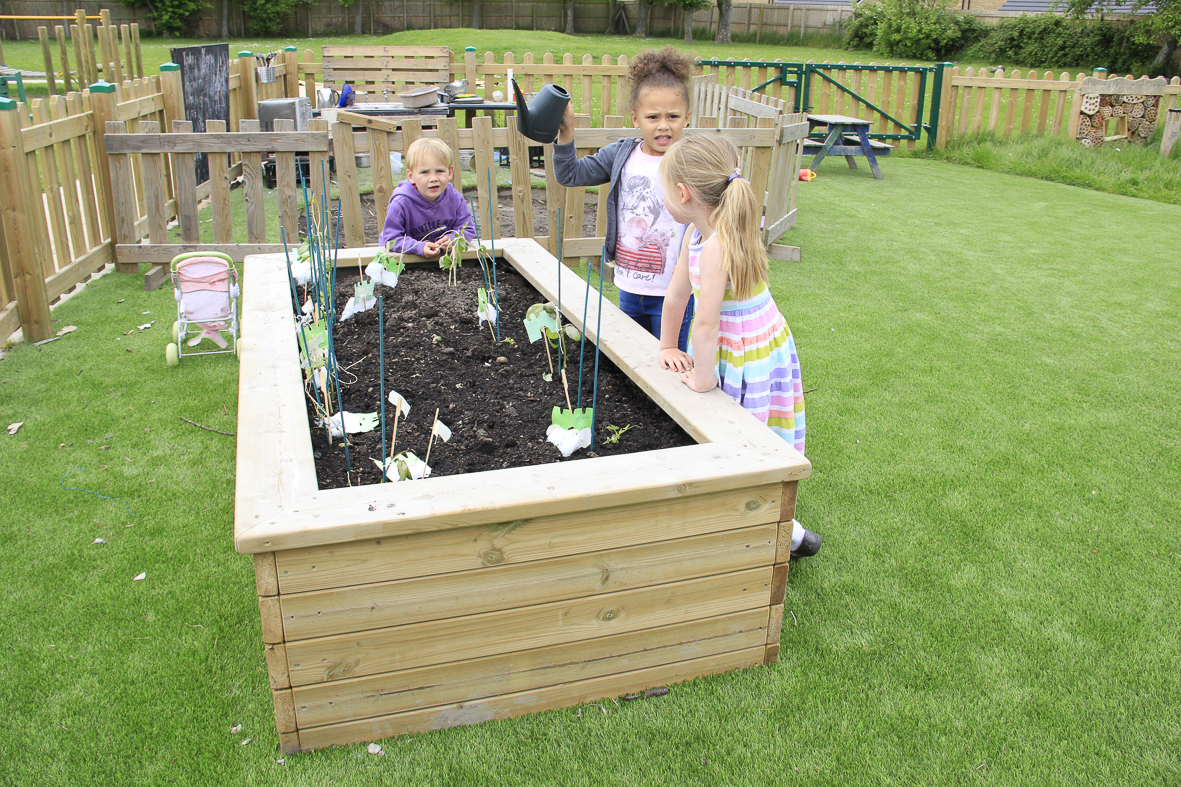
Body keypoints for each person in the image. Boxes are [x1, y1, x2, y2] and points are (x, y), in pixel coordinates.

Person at [657, 134, 822, 560]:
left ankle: (788, 533)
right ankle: (763, 524)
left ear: (682, 193)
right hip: (755, 341)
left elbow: (707, 323)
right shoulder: (701, 231)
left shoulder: (716, 245)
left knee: (747, 442)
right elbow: (676, 296)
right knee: (746, 439)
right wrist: (666, 347)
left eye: (664, 190)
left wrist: (702, 377)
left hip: (746, 349)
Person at [552, 47, 695, 351]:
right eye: (652, 116)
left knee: (669, 362)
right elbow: (570, 175)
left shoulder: (692, 160)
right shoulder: (622, 154)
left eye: (673, 116)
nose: (663, 125)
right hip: (629, 286)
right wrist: (567, 134)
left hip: (674, 291)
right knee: (631, 361)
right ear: (635, 118)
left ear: (687, 117)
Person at [378, 137, 476, 258]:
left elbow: (467, 229)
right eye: (424, 172)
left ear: (450, 172)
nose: (433, 178)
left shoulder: (455, 198)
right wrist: (417, 247)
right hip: (403, 263)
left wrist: (453, 239)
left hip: (444, 264)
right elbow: (391, 239)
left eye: (439, 171)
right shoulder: (401, 203)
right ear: (411, 175)